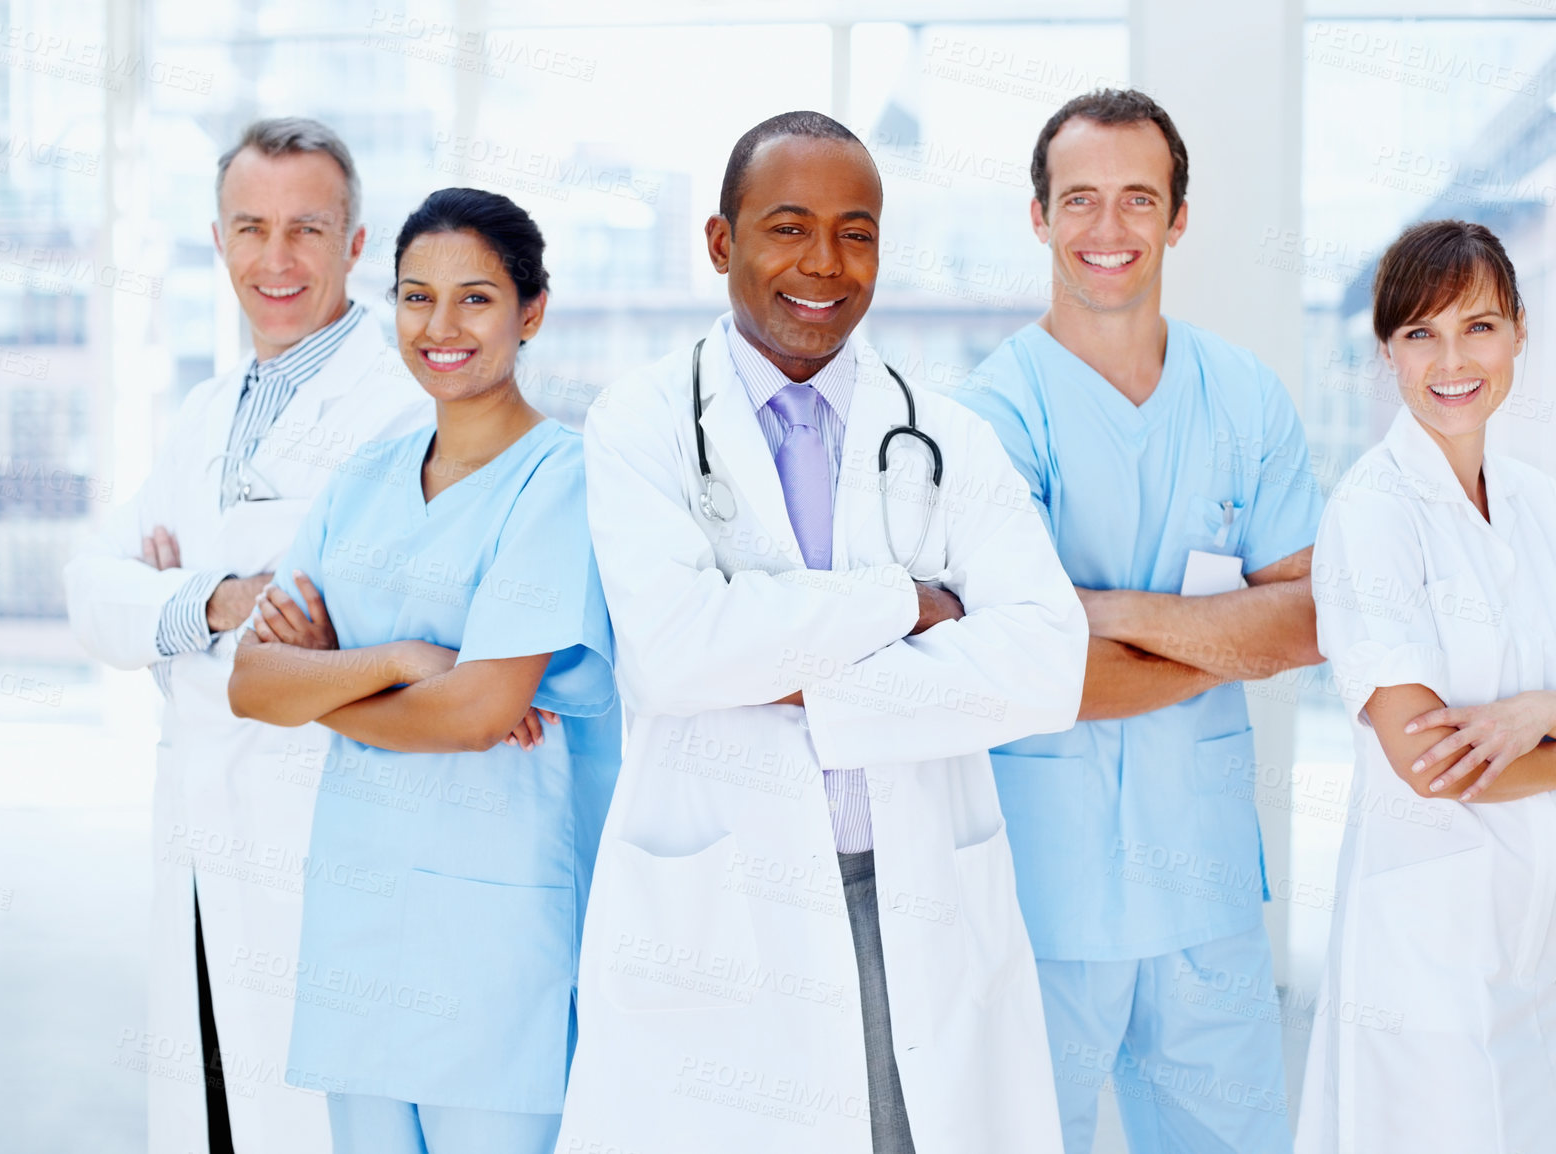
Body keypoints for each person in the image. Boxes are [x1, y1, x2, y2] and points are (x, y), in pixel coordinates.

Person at [557, 111, 1087, 1154]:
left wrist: (806, 681)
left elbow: (1047, 664)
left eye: (856, 232)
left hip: (916, 887)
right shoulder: (642, 422)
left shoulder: (950, 437)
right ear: (722, 243)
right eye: (787, 227)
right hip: (720, 895)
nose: (823, 263)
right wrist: (899, 605)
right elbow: (672, 652)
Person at [950, 89, 1326, 1154]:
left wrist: (1097, 612)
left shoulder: (1245, 398)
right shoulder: (990, 416)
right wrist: (1220, 632)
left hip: (1201, 885)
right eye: (1078, 199)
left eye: (1135, 199)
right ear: (1037, 217)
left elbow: (1306, 624)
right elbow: (1035, 667)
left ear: (1178, 216)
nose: (1106, 230)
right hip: (1041, 891)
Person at [225, 187, 619, 1154]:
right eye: (414, 297)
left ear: (532, 310)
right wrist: (405, 663)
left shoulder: (564, 479)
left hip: (498, 945)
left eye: (476, 299)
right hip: (360, 927)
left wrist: (330, 681)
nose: (440, 327)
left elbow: (483, 711)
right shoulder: (366, 473)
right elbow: (249, 683)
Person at [63, 118, 426, 1154]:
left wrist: (167, 606)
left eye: (307, 228)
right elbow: (91, 591)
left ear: (356, 245)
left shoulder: (398, 409)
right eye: (251, 227)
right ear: (217, 240)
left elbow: (354, 627)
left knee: (312, 1116)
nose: (277, 258)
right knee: (217, 1106)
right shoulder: (205, 410)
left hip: (319, 824)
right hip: (197, 824)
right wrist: (217, 600)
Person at [1296, 220, 1556, 1154]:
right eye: (1421, 334)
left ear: (1520, 333)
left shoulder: (1537, 501)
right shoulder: (1372, 513)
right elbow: (1428, 762)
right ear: (1387, 352)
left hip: (1535, 916)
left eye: (1479, 327)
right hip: (1423, 933)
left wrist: (1543, 714)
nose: (1453, 360)